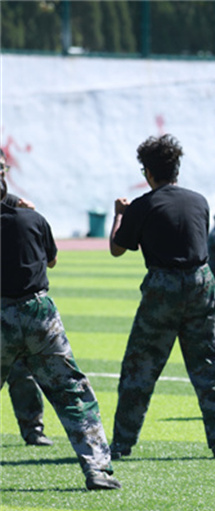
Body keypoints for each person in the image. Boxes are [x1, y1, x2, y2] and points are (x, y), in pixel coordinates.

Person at [108, 134, 215, 460]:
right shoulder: (199, 201)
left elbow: (117, 248)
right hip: (201, 283)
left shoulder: (143, 205)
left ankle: (122, 443)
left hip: (163, 286)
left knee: (140, 367)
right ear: (176, 168)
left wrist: (120, 214)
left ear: (148, 172)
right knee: (207, 365)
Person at [0, 175, 121, 490]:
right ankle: (97, 469)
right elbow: (51, 260)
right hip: (39, 313)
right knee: (72, 392)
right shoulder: (33, 219)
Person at [0, 151, 53, 447]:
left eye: (2, 167)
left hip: (11, 302)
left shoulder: (14, 205)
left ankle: (33, 428)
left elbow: (43, 254)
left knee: (22, 369)